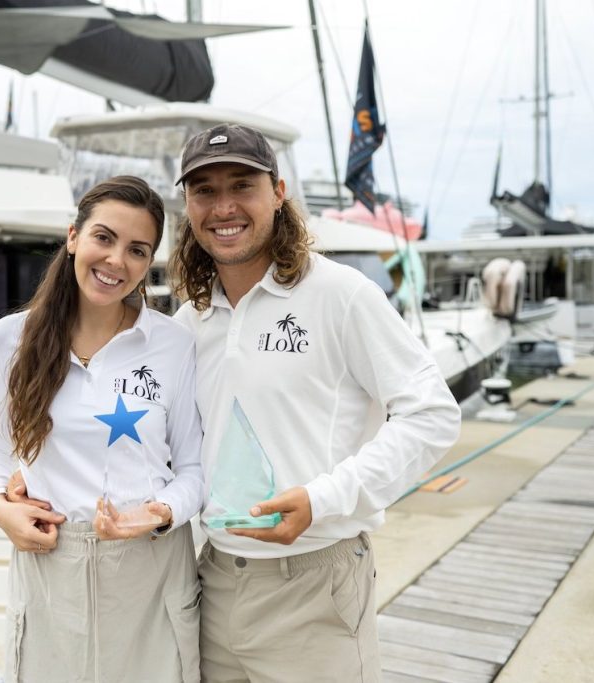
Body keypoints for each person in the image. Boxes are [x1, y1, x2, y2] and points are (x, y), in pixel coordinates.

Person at [169, 124, 461, 682]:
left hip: (315, 581)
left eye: (242, 186)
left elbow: (432, 414)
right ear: (188, 205)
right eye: (204, 190)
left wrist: (324, 498)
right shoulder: (191, 320)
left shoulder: (341, 295)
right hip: (212, 582)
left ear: (278, 193)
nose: (223, 206)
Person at [0, 176, 205, 683]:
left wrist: (160, 513)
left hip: (152, 565)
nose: (117, 261)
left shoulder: (173, 344)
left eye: (137, 250)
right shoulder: (11, 338)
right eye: (104, 238)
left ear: (149, 263)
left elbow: (193, 469)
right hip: (51, 564)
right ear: (74, 236)